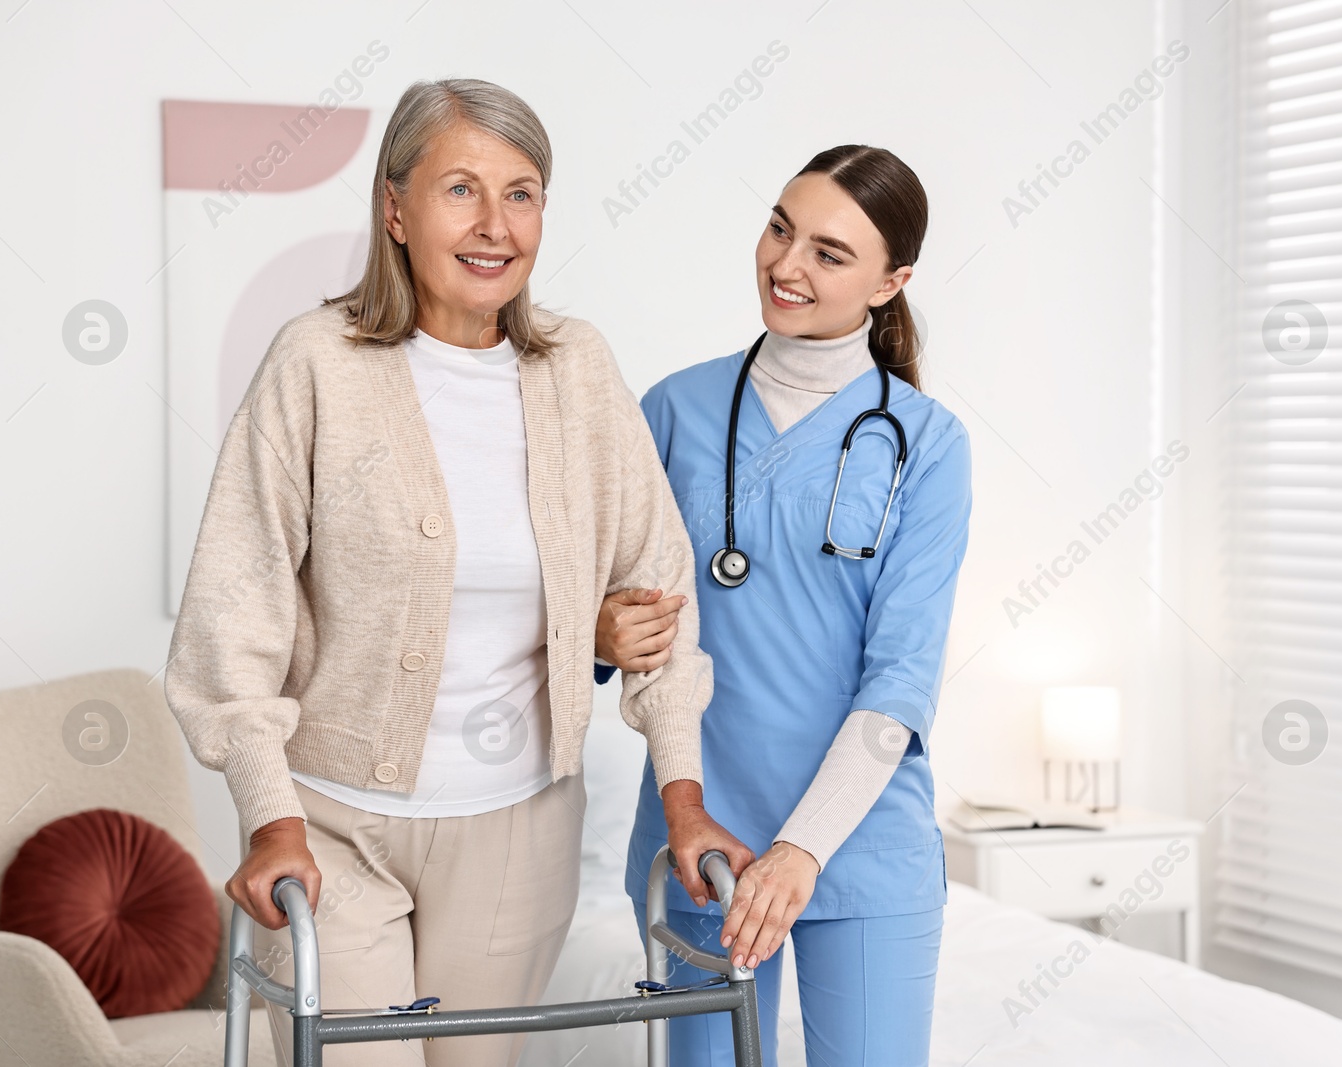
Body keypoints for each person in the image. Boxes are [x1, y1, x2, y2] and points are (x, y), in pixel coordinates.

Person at [165, 77, 746, 1067]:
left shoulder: (577, 369)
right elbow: (234, 605)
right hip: (332, 826)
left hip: (519, 833)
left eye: (521, 193)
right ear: (395, 208)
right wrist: (269, 815)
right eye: (460, 190)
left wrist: (682, 791)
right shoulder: (315, 364)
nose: (495, 225)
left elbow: (658, 598)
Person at [594, 144, 972, 1067]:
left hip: (859, 846)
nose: (787, 264)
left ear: (893, 282)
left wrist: (802, 849)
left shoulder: (926, 444)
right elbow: (600, 623)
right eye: (779, 228)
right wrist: (599, 630)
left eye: (830, 253)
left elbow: (903, 680)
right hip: (702, 842)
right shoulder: (675, 408)